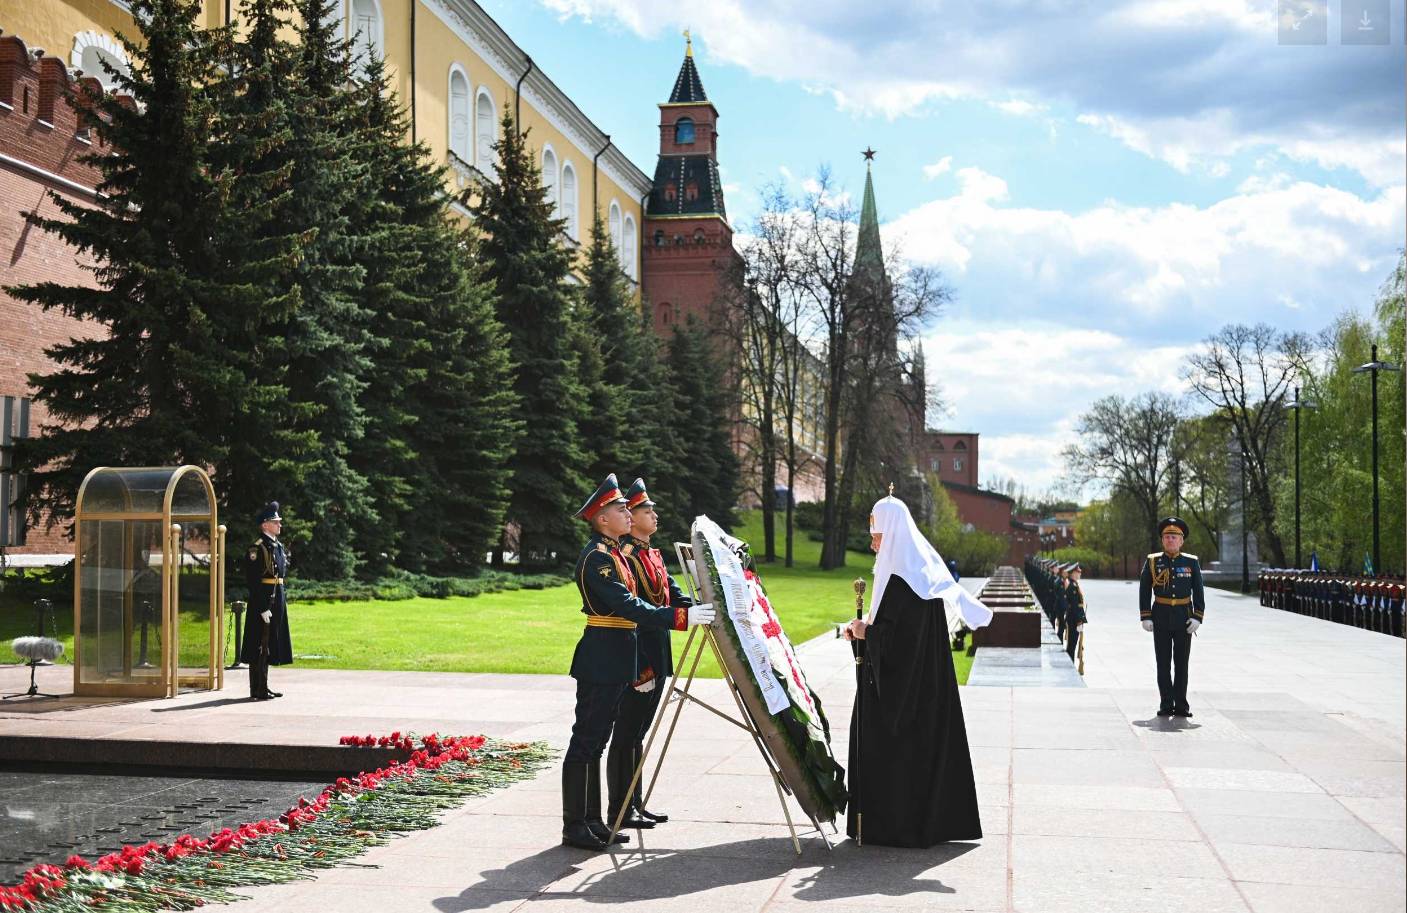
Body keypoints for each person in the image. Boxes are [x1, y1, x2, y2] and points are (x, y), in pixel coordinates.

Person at [562, 474, 716, 852]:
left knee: (597, 742)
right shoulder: (598, 558)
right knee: (586, 741)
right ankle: (575, 824)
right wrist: (679, 618)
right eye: (619, 510)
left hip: (618, 655)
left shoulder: (614, 554)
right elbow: (629, 605)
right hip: (602, 655)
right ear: (601, 519)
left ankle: (593, 820)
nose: (627, 515)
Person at [842, 493, 990, 847]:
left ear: (891, 532)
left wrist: (868, 634)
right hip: (917, 690)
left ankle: (891, 826)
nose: (872, 541)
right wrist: (864, 633)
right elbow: (893, 635)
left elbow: (901, 647)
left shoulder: (904, 580)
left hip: (905, 696)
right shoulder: (912, 574)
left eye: (876, 534)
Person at [606, 478, 692, 830]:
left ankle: (634, 803)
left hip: (657, 651)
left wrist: (703, 607)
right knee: (626, 732)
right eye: (646, 510)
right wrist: (640, 667)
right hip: (639, 654)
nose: (653, 515)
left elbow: (672, 595)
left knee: (639, 732)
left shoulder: (651, 553)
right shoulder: (626, 557)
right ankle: (619, 809)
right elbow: (634, 613)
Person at [1138, 517, 1205, 718]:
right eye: (1167, 537)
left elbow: (1199, 591)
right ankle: (1166, 703)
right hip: (1161, 616)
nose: (1171, 540)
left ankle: (1182, 705)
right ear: (1162, 540)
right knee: (1163, 663)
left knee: (1182, 663)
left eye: (1175, 537)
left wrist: (1197, 617)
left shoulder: (1191, 562)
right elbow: (1144, 590)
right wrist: (1145, 616)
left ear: (1181, 541)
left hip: (1184, 617)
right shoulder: (1153, 561)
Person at [241, 501, 292, 701]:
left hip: (276, 598)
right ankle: (257, 689)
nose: (280, 524)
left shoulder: (276, 546)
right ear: (265, 525)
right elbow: (253, 581)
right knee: (259, 645)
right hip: (264, 602)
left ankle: (264, 686)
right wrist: (262, 607)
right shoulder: (257, 548)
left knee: (268, 643)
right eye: (275, 521)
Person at [1064, 563, 1087, 662]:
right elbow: (1074, 605)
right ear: (1073, 573)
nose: (1080, 573)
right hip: (1074, 619)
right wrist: (1079, 621)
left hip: (1074, 618)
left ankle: (1070, 664)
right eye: (1078, 572)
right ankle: (1070, 665)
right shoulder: (1072, 586)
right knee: (1072, 645)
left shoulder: (1074, 584)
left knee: (1073, 644)